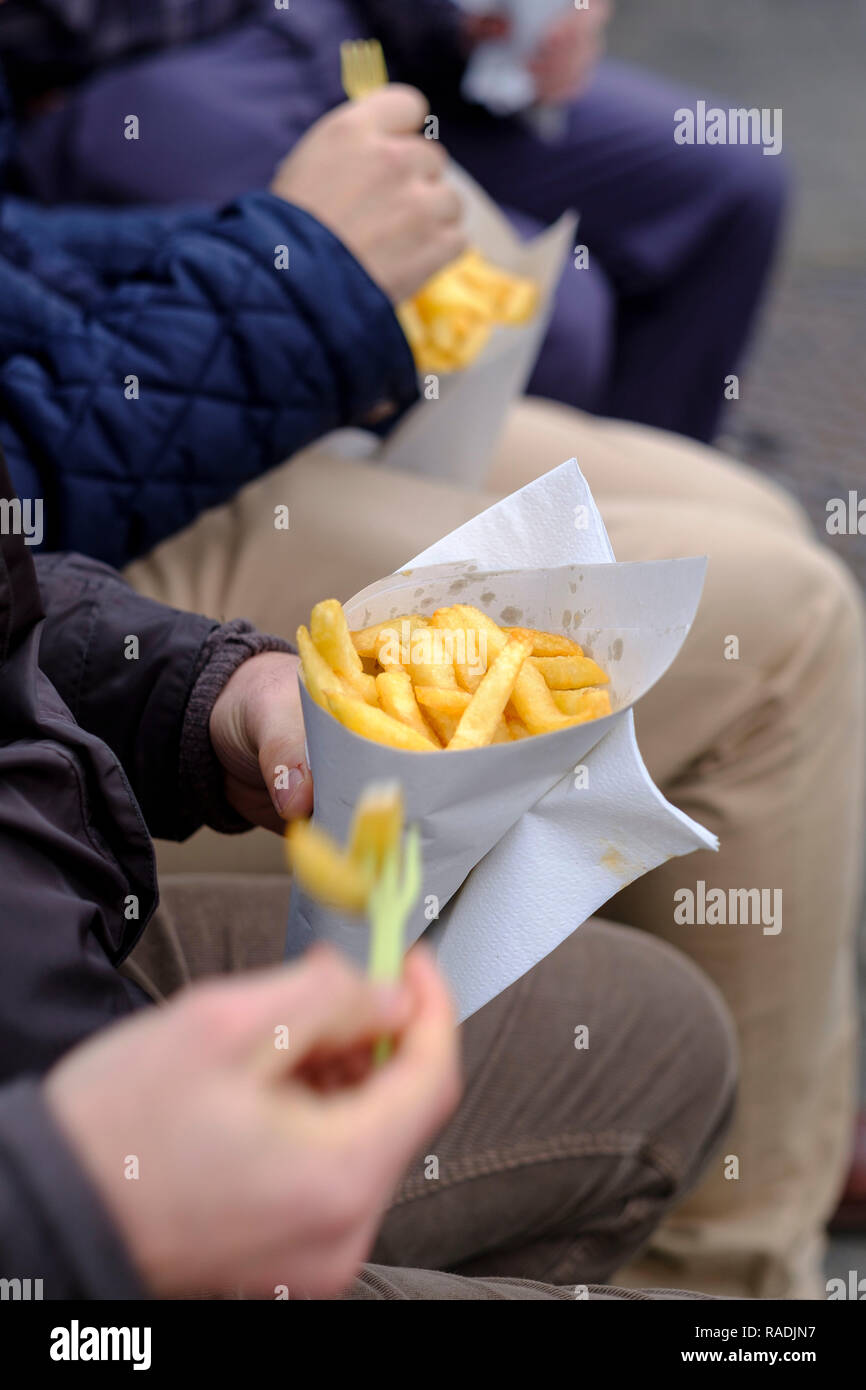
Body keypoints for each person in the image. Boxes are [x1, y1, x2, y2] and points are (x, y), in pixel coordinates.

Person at [0, 447, 736, 1300]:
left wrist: (199, 687)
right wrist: (70, 1208)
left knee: (661, 1034)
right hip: (55, 1213)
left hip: (58, 931)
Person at [4, 0, 788, 443]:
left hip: (361, 32)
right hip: (153, 77)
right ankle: (504, 628)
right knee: (548, 313)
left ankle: (649, 551)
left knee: (734, 178)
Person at [0, 76, 463, 564]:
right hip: (60, 574)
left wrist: (250, 247)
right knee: (469, 555)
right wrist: (297, 295)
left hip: (119, 416)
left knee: (535, 461)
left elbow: (17, 248)